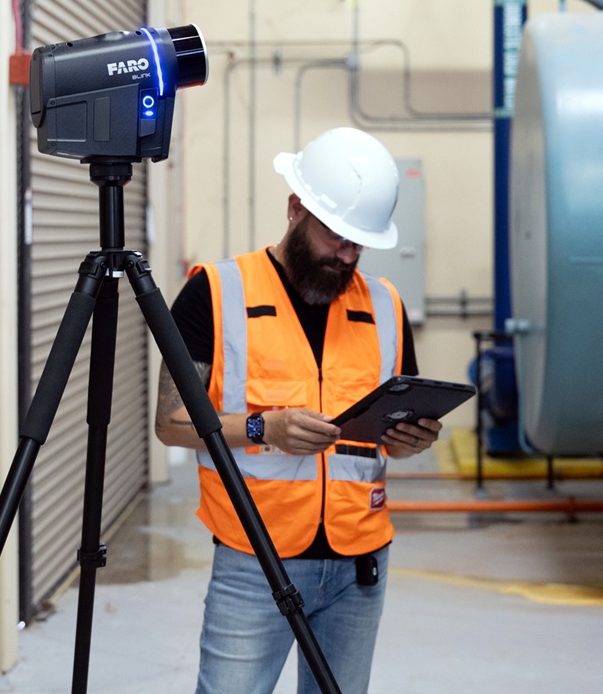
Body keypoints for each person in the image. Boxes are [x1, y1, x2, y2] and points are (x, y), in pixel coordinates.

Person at [155, 127, 440, 694]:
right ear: (295, 210)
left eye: (360, 243)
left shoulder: (385, 305)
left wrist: (411, 439)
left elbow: (389, 425)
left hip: (359, 564)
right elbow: (171, 424)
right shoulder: (214, 292)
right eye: (337, 237)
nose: (348, 256)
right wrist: (267, 427)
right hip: (253, 560)